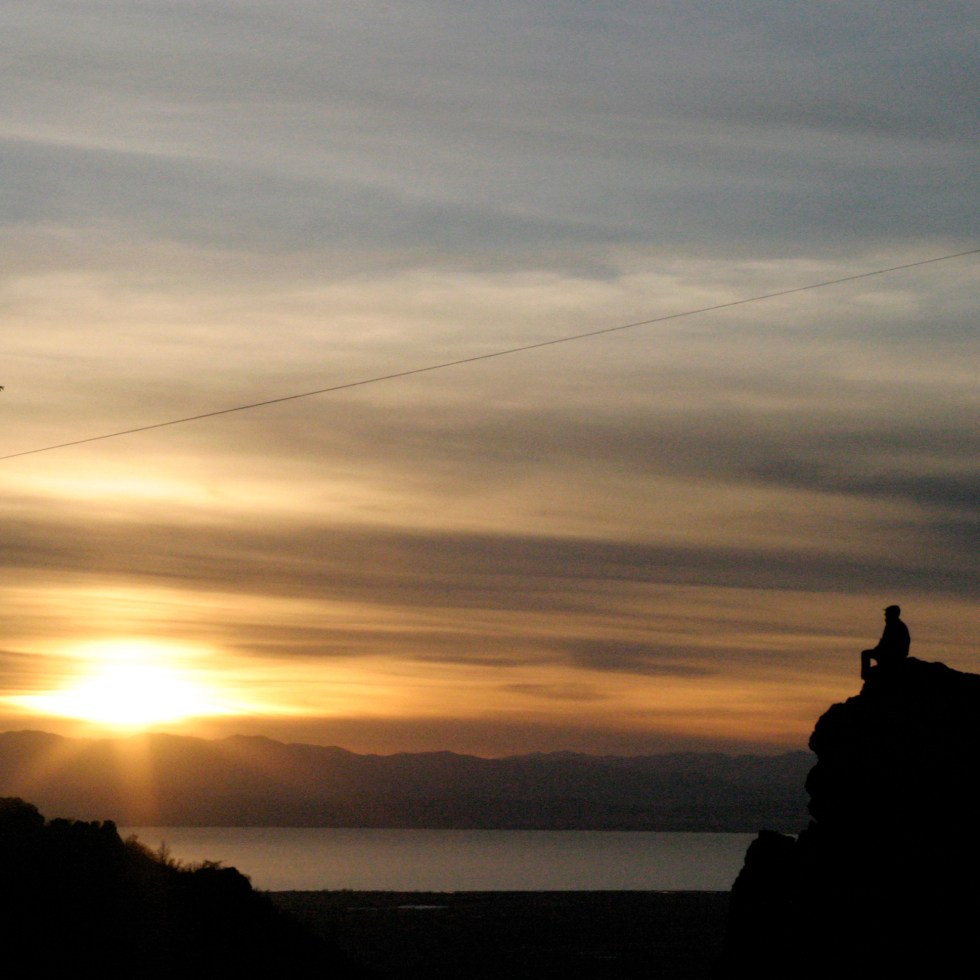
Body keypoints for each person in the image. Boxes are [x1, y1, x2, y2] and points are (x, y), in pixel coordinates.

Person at [860, 604, 910, 679]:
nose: (885, 614)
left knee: (865, 654)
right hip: (894, 652)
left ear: (892, 614)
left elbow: (887, 642)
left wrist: (878, 650)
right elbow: (884, 641)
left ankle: (866, 675)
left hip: (893, 653)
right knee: (868, 653)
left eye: (887, 613)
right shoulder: (894, 624)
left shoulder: (894, 625)